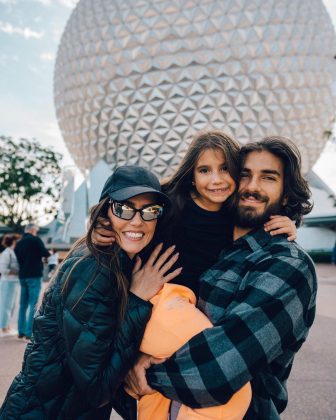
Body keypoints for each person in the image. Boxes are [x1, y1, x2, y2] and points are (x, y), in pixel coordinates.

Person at [93, 130, 297, 418]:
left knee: (154, 401)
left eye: (225, 169)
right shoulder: (171, 207)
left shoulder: (233, 216)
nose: (216, 179)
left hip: (185, 308)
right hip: (162, 303)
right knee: (227, 380)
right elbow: (134, 222)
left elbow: (261, 217)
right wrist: (106, 229)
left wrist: (290, 224)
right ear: (192, 175)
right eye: (205, 170)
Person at [0, 165, 181, 420]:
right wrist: (138, 300)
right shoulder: (95, 271)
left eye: (150, 210)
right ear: (106, 211)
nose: (137, 220)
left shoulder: (114, 262)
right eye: (124, 208)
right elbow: (97, 388)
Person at [14, 223, 50, 339]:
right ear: (33, 230)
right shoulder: (35, 240)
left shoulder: (19, 243)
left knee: (23, 304)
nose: (37, 232)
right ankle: (29, 333)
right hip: (34, 274)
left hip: (22, 275)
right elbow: (45, 253)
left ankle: (20, 331)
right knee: (33, 304)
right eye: (36, 230)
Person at [0, 235, 20, 338]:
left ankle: (7, 325)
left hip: (14, 282)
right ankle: (3, 327)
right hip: (7, 282)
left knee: (11, 305)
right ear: (13, 242)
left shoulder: (12, 252)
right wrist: (15, 271)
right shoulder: (6, 253)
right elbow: (2, 269)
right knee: (6, 305)